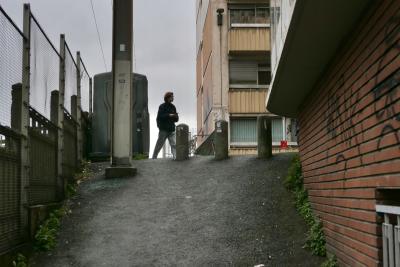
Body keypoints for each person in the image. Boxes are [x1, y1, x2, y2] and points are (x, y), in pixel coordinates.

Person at [152, 92, 179, 159]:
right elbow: (160, 117)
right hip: (163, 130)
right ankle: (154, 157)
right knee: (159, 144)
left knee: (174, 144)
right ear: (168, 98)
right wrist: (169, 115)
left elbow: (176, 119)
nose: (173, 98)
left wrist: (175, 116)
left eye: (173, 97)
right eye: (172, 97)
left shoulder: (173, 107)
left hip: (171, 129)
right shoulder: (162, 106)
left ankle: (175, 157)